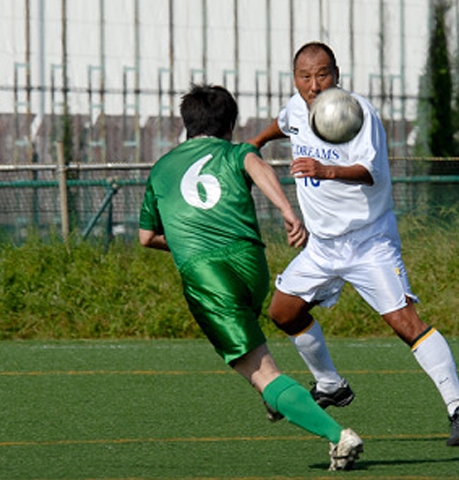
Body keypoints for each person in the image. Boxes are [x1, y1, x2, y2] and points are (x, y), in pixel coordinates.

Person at [248, 42, 459, 447]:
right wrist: (254, 144)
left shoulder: (355, 113)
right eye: (304, 77)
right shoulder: (296, 107)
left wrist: (325, 169)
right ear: (295, 79)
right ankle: (330, 385)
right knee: (283, 312)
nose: (313, 84)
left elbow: (368, 171)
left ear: (337, 74)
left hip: (368, 241)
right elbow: (282, 123)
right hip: (323, 247)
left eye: (322, 74)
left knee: (404, 322)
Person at [138, 83, 363, 470]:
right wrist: (289, 214)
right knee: (252, 344)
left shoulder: (161, 169)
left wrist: (188, 242)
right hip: (251, 264)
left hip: (207, 273)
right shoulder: (237, 151)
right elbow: (256, 165)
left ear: (186, 125)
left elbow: (146, 238)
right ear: (229, 125)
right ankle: (275, 396)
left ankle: (337, 435)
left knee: (261, 370)